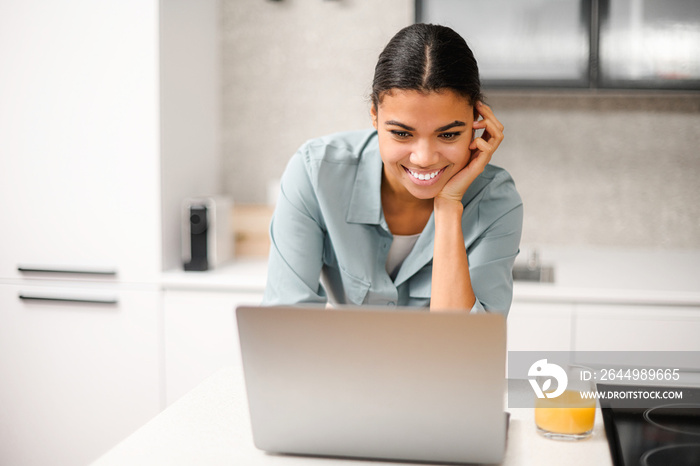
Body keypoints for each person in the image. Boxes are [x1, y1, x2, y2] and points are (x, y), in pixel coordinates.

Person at [262, 23, 523, 315]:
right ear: (374, 115)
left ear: (477, 122)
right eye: (402, 133)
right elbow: (286, 322)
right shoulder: (315, 172)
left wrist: (449, 208)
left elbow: (464, 348)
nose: (424, 158)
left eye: (448, 135)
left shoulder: (496, 199)